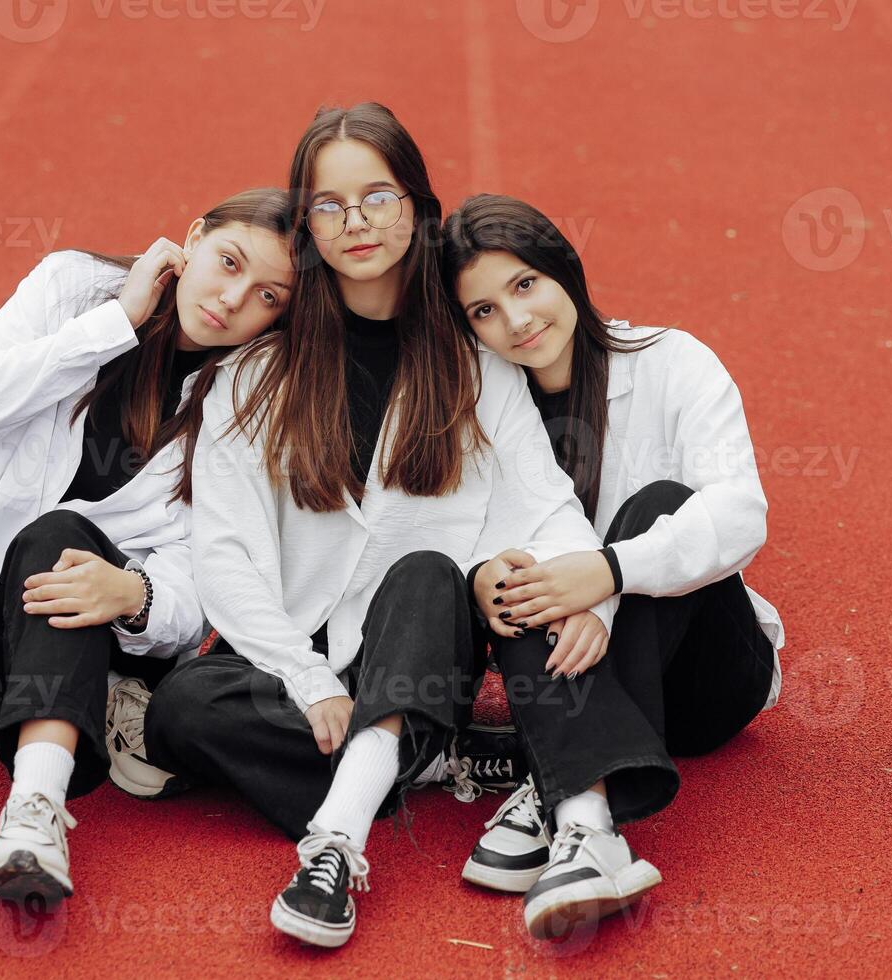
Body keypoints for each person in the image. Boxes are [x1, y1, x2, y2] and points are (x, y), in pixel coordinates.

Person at [142, 105, 614, 948]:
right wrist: (308, 679)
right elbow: (224, 552)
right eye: (330, 205)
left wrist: (594, 592)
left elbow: (546, 505)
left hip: (426, 648)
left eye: (378, 196)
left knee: (428, 570)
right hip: (311, 673)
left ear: (418, 206)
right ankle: (433, 760)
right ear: (307, 224)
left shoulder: (475, 364)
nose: (356, 222)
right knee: (181, 707)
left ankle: (337, 843)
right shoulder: (255, 376)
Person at [0, 189, 296, 906]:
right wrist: (116, 323)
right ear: (193, 237)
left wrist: (136, 596)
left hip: (96, 625)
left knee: (56, 537)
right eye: (228, 262)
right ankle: (101, 708)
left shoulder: (252, 399)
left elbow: (207, 569)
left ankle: (34, 813)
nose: (232, 299)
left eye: (267, 295)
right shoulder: (72, 286)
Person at [442, 193, 784, 940]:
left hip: (704, 683)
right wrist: (491, 572)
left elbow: (740, 514)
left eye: (525, 285)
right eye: (484, 312)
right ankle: (585, 819)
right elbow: (460, 527)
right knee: (517, 567)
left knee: (659, 503)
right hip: (574, 666)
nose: (517, 321)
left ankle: (551, 774)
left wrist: (609, 572)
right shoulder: (482, 406)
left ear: (563, 268)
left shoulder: (673, 361)